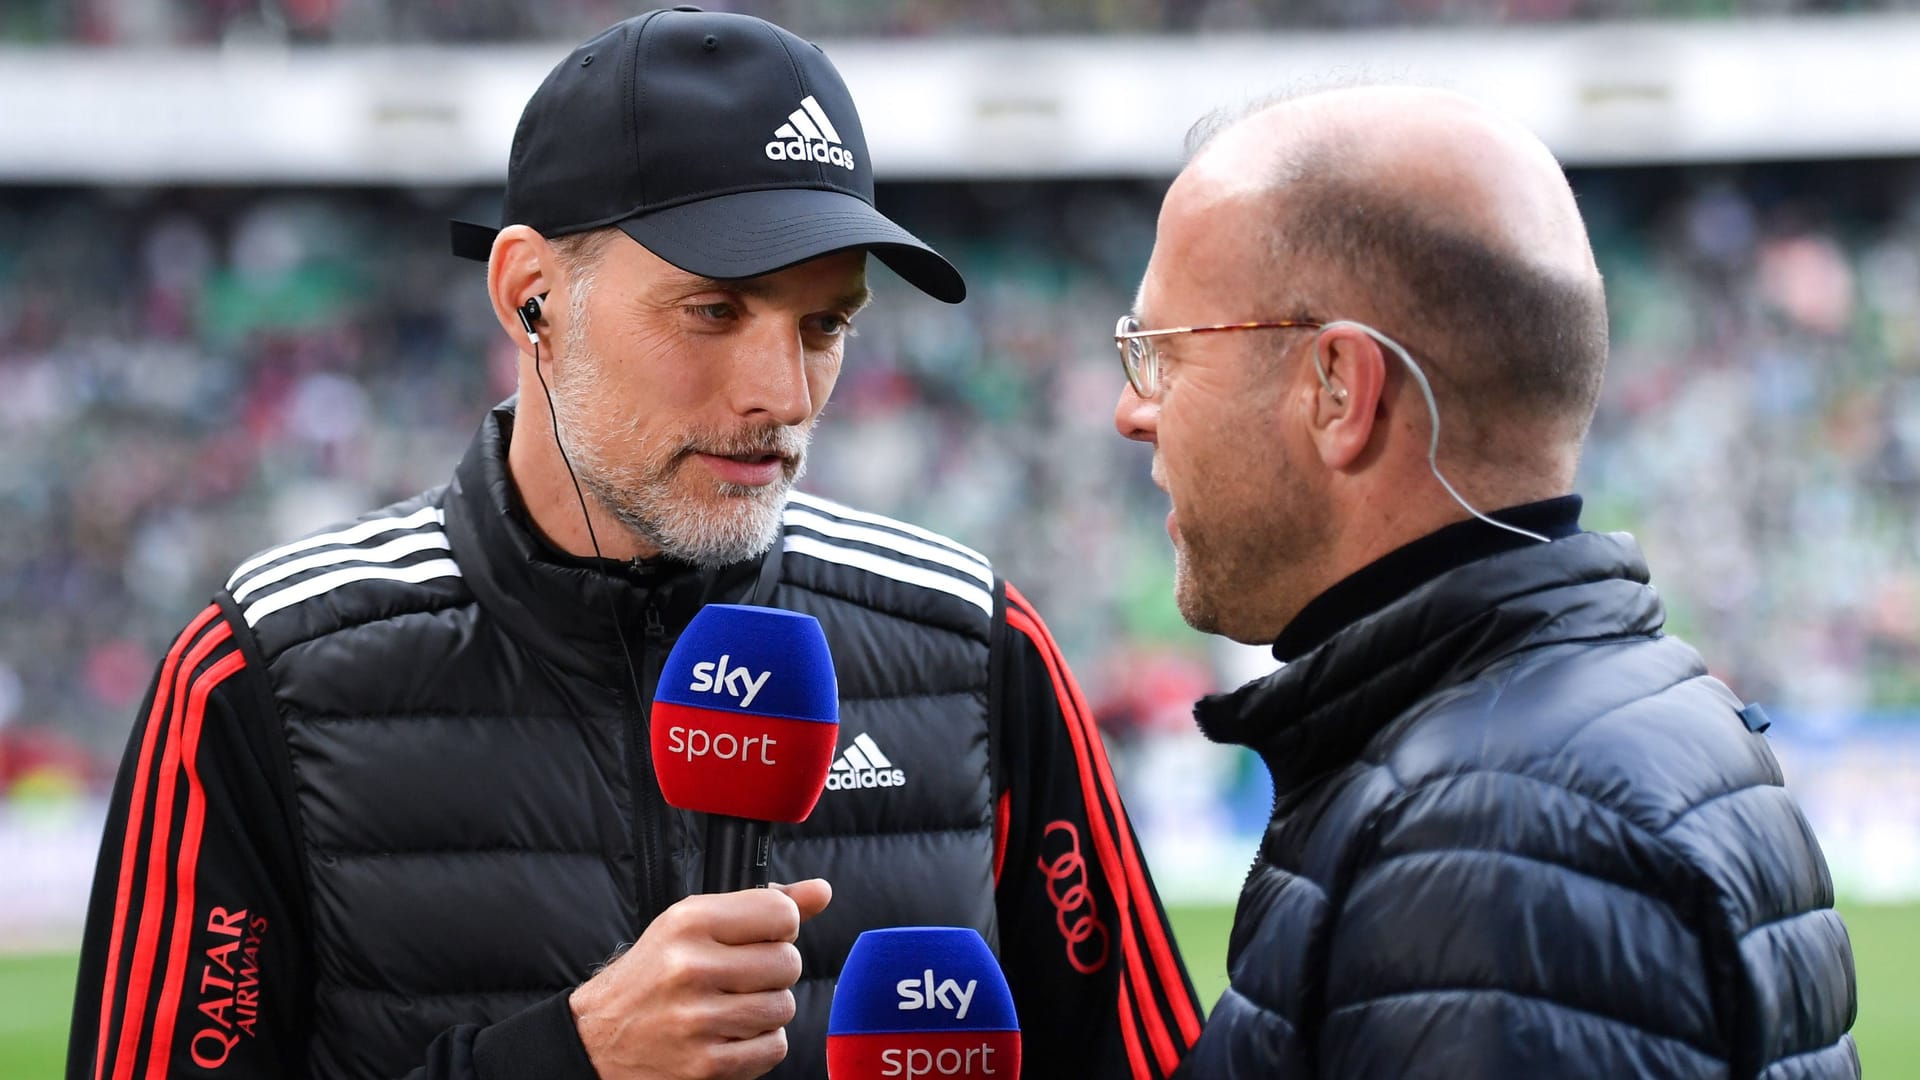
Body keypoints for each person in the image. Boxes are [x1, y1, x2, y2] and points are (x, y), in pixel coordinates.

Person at [68, 10, 1200, 1079]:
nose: (782, 393)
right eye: (714, 310)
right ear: (530, 299)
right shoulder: (264, 672)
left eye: (824, 325)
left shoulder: (974, 643)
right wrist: (570, 1056)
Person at [1113, 85, 1859, 1079]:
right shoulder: (1606, 731)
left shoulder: (1486, 838)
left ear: (1339, 389)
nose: (1133, 411)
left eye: (1162, 353)